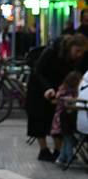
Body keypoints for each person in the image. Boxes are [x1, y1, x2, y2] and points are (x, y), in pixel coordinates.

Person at [25, 33, 88, 161]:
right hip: (38, 87)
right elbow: (38, 71)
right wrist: (47, 88)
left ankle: (58, 151)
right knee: (38, 119)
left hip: (55, 88)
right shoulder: (52, 51)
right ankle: (44, 150)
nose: (78, 55)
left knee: (54, 119)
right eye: (77, 51)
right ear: (71, 46)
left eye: (81, 52)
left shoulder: (71, 58)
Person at [51, 70, 82, 168]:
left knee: (66, 139)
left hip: (58, 120)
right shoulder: (69, 94)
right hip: (65, 120)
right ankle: (69, 159)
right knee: (69, 140)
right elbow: (69, 107)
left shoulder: (61, 91)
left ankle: (61, 157)